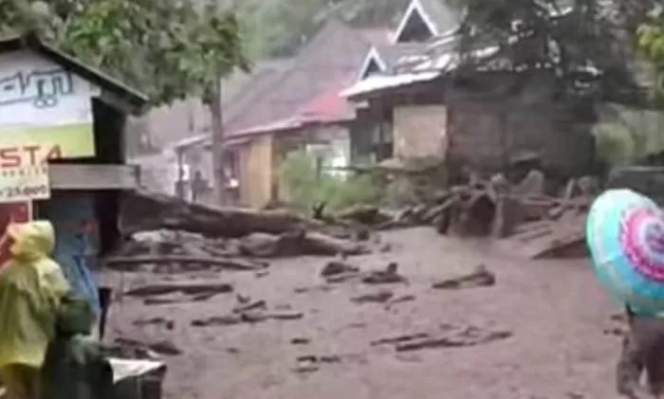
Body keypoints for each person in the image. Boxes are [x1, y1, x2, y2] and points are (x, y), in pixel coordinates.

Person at [0, 221, 70, 399]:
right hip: (42, 349)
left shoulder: (7, 270)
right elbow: (64, 305)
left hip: (8, 350)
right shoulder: (51, 270)